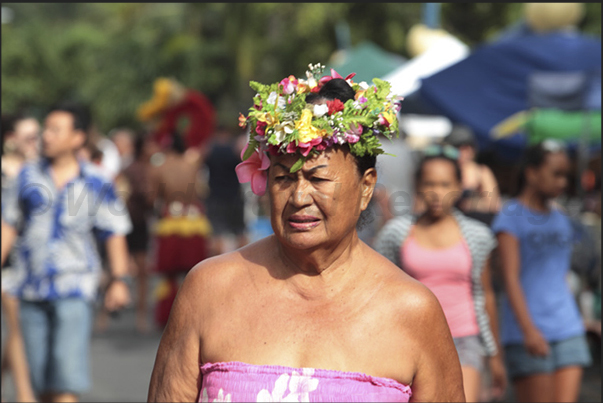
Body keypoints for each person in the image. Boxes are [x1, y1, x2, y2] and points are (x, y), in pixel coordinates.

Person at [147, 65, 465, 402]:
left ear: (366, 187)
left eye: (318, 179)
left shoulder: (412, 310)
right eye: (283, 178)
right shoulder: (209, 289)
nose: (299, 198)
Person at [1, 103, 133, 403]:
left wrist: (119, 279)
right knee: (43, 383)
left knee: (65, 380)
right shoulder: (26, 176)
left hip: (75, 288)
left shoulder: (96, 181)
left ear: (77, 138)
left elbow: (114, 232)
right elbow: (7, 225)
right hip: (30, 289)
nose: (46, 136)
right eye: (45, 129)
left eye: (55, 130)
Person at [374, 144, 507, 402]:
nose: (437, 193)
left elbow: (486, 294)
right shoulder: (396, 233)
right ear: (418, 186)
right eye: (429, 184)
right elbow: (382, 291)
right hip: (413, 340)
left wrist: (496, 356)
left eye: (445, 184)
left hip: (466, 339)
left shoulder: (478, 236)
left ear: (459, 187)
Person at [492, 140, 592, 403]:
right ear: (532, 173)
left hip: (567, 327)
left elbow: (561, 276)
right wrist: (528, 330)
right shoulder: (510, 216)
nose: (562, 182)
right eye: (556, 174)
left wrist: (581, 318)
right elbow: (510, 278)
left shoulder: (561, 220)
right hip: (529, 331)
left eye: (566, 176)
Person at [148, 131, 212, 329]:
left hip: (170, 224)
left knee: (169, 275)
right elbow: (201, 192)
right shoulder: (193, 167)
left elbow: (152, 199)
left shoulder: (159, 168)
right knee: (193, 273)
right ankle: (194, 316)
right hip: (194, 222)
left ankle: (169, 317)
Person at [1, 112, 41, 403]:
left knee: (21, 331)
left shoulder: (39, 172)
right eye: (29, 137)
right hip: (8, 262)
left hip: (35, 264)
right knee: (18, 326)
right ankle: (25, 396)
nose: (37, 142)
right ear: (10, 140)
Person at [117, 132, 155, 333]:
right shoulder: (142, 170)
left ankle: (104, 317)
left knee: (121, 268)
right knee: (141, 272)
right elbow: (148, 197)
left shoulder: (128, 168)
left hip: (128, 222)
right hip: (137, 224)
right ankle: (141, 317)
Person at [202, 125, 248, 255]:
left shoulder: (210, 149)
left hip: (215, 197)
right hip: (234, 196)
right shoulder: (234, 149)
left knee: (216, 235)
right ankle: (244, 267)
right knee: (240, 233)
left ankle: (218, 268)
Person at [443, 124, 501, 225]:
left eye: (469, 148)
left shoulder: (481, 172)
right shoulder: (444, 171)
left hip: (474, 224)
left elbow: (494, 205)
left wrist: (470, 204)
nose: (467, 152)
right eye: (462, 148)